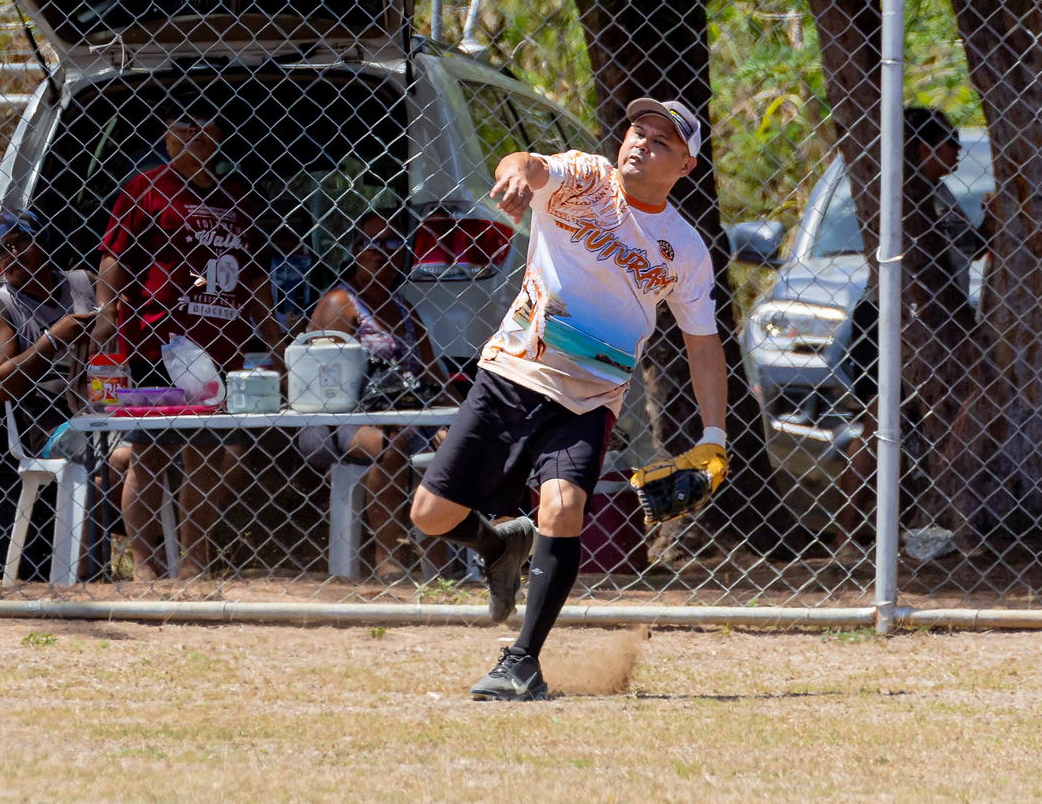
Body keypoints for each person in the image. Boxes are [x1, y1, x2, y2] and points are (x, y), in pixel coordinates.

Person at [409, 98, 725, 702]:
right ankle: (500, 543)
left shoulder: (683, 249)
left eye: (662, 142)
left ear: (685, 167)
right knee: (431, 516)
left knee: (562, 507)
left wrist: (714, 436)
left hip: (589, 397)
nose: (642, 143)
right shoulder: (585, 178)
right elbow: (529, 164)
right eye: (638, 130)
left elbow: (704, 345)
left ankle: (521, 661)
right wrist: (514, 174)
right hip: (513, 371)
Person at [94, 105, 280, 581]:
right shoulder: (144, 187)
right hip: (156, 341)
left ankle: (194, 560)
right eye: (185, 125)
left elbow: (255, 277)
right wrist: (106, 315)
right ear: (166, 134)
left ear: (219, 135)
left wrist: (276, 338)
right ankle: (144, 564)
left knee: (208, 453)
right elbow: (114, 257)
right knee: (150, 451)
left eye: (207, 125)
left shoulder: (237, 199)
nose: (197, 134)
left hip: (220, 344)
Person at [834, 106, 991, 559]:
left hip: (933, 321)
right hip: (893, 319)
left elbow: (970, 248)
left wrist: (993, 221)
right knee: (881, 423)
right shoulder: (903, 192)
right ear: (922, 147)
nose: (957, 153)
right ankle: (847, 533)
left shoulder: (935, 191)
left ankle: (918, 529)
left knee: (921, 421)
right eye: (949, 144)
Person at [296, 211, 448, 582]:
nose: (382, 253)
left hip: (408, 414)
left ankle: (441, 562)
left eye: (392, 245)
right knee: (391, 443)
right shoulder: (340, 304)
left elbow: (432, 374)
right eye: (372, 244)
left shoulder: (405, 310)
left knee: (454, 446)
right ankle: (388, 556)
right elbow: (318, 382)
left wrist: (452, 417)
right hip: (342, 419)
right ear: (355, 250)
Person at [0, 209, 98, 454]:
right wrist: (51, 339)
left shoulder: (83, 283)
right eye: (2, 249)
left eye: (20, 242)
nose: (12, 254)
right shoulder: (1, 307)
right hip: (54, 424)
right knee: (116, 458)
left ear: (42, 241)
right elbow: (0, 384)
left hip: (106, 405)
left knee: (158, 447)